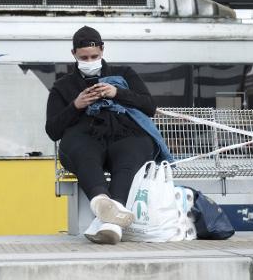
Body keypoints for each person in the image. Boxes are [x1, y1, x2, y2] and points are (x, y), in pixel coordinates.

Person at [45, 26, 167, 244]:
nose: (90, 60)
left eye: (94, 56)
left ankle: (107, 217)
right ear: (74, 54)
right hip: (85, 138)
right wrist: (76, 105)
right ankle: (106, 205)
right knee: (84, 153)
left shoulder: (124, 74)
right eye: (84, 57)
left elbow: (149, 106)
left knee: (131, 152)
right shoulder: (62, 87)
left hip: (124, 134)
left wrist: (116, 92)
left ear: (102, 50)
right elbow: (52, 130)